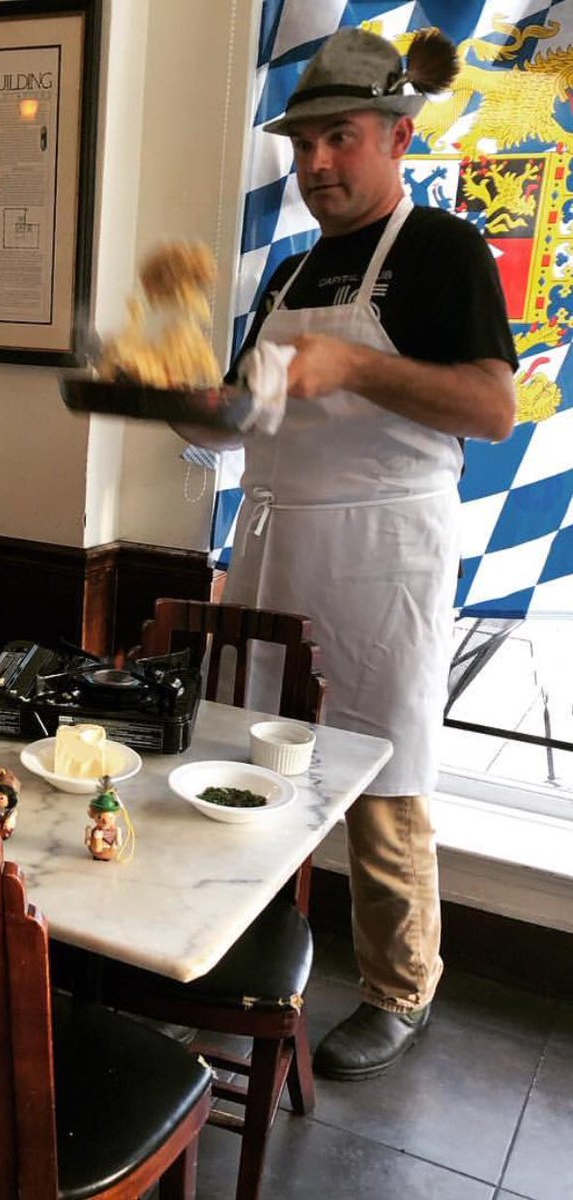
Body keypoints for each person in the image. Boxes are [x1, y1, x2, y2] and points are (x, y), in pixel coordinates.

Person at [179, 26, 517, 1080]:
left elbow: (494, 407)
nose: (317, 163)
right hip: (273, 542)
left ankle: (399, 989)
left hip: (385, 553)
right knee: (248, 753)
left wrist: (355, 370)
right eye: (303, 144)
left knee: (384, 775)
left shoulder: (442, 251)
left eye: (340, 139)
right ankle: (239, 950)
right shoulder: (291, 270)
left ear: (397, 136)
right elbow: (247, 415)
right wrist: (201, 412)